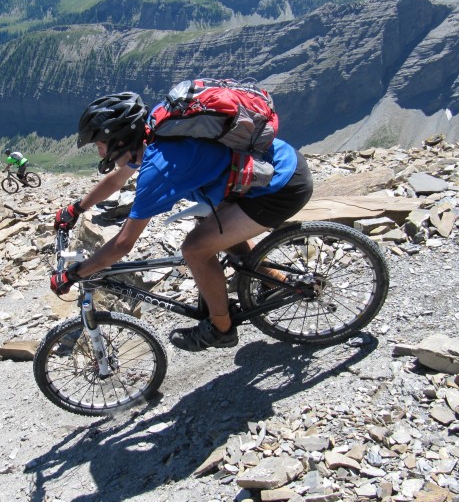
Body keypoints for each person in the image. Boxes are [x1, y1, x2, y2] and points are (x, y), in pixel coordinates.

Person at [51, 90, 313, 352]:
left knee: (195, 249)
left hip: (280, 188)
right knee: (214, 231)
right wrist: (77, 208)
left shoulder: (158, 170)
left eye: (100, 145)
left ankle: (221, 328)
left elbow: (122, 245)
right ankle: (275, 282)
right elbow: (118, 179)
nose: (99, 152)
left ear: (119, 141)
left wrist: (75, 274)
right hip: (274, 166)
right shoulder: (152, 130)